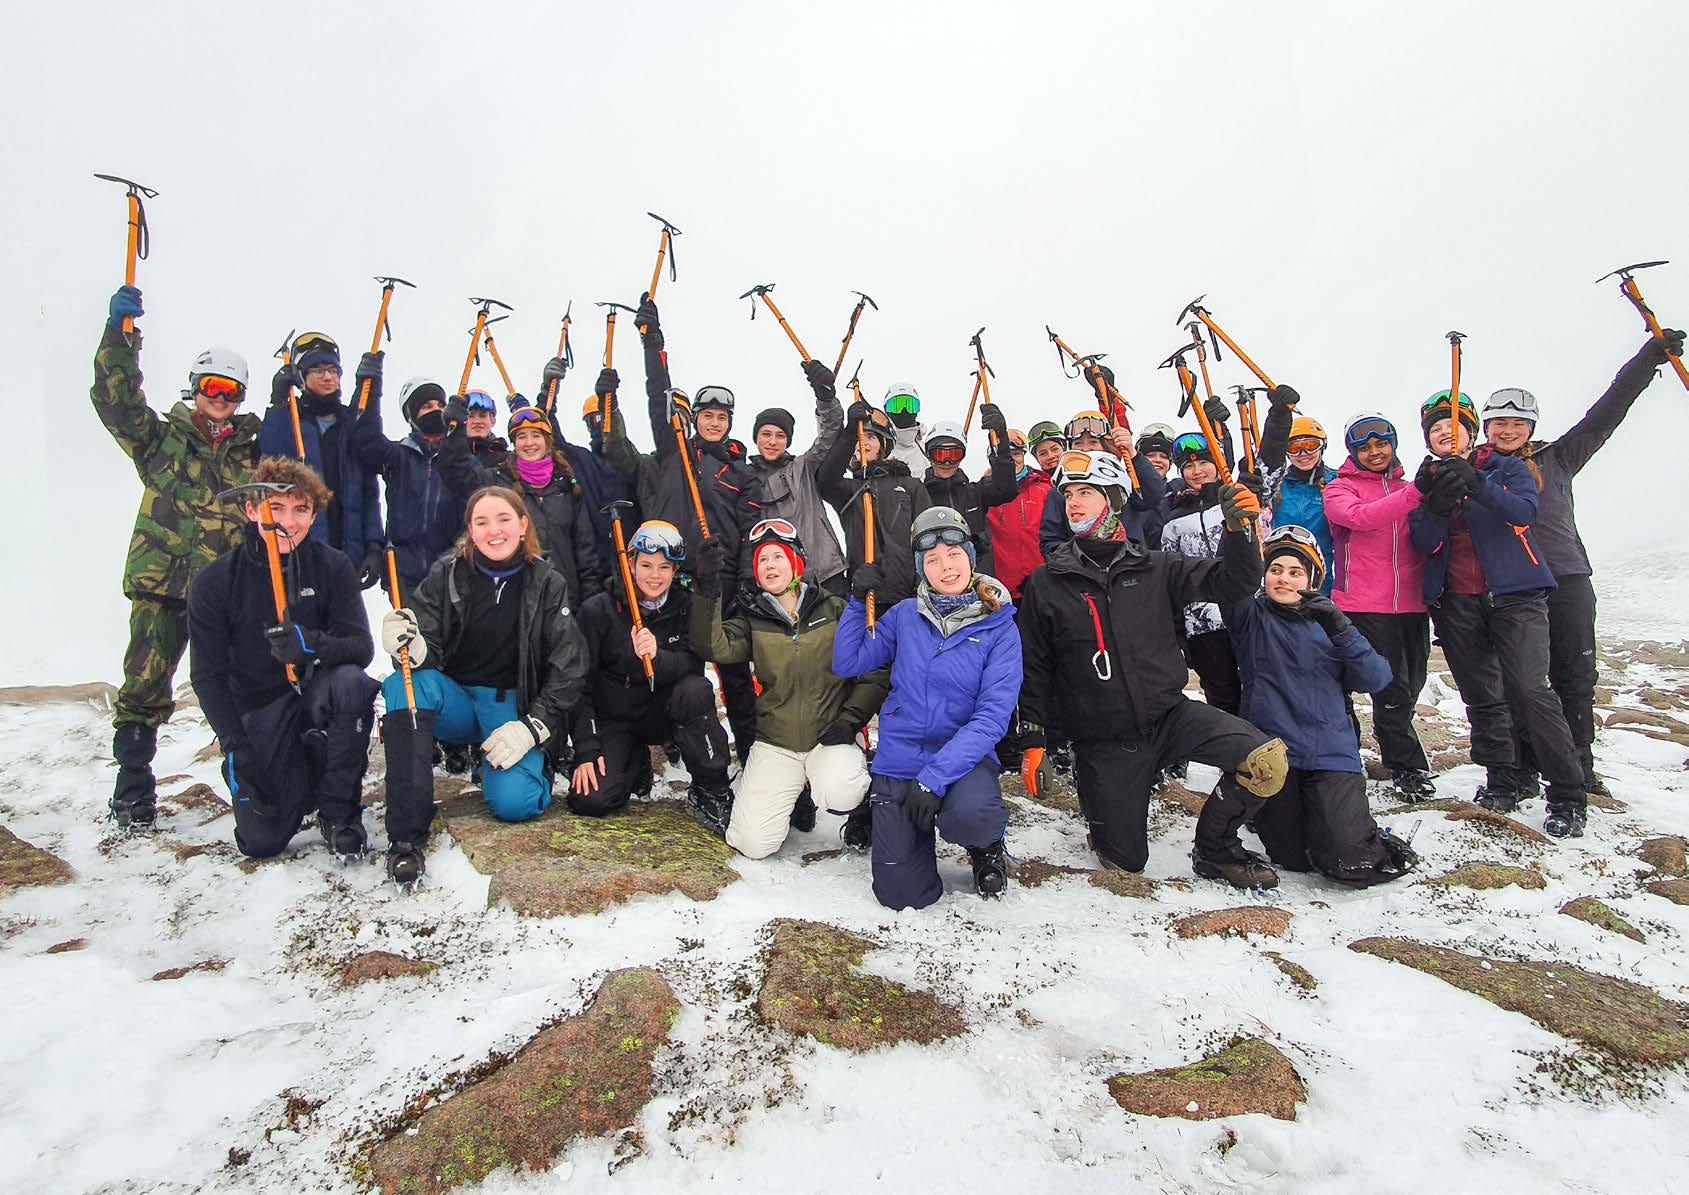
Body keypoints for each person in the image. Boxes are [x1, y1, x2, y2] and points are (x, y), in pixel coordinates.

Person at [1017, 451, 1289, 888]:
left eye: (1086, 492)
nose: (1073, 503)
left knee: (1266, 761)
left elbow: (1235, 583)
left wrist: (1239, 531)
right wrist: (1033, 740)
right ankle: (1103, 802)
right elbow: (1034, 665)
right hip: (1104, 739)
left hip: (1170, 717)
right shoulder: (1047, 581)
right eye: (1068, 495)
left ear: (1114, 498)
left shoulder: (1156, 566)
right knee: (1125, 863)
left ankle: (1215, 849)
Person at [1480, 329, 1684, 799]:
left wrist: (1647, 360)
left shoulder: (1559, 457)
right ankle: (1523, 768)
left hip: (1566, 578)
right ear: (1486, 427)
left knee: (1573, 677)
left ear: (1531, 426)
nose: (1507, 430)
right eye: (1498, 423)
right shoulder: (1476, 469)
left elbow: (1606, 413)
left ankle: (1579, 767)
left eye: (1517, 422)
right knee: (1518, 682)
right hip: (1511, 588)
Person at [93, 284, 260, 830]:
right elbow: (116, 401)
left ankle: (253, 785)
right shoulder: (162, 441)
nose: (221, 398)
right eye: (212, 386)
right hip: (162, 583)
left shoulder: (253, 454)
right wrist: (121, 338)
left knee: (237, 689)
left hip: (226, 594)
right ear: (195, 388)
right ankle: (133, 787)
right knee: (144, 684)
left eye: (231, 390)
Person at [376, 486, 590, 883]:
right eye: (482, 522)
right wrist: (411, 646)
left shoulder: (547, 582)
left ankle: (534, 766)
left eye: (504, 519)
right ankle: (406, 835)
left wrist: (534, 727)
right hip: (455, 699)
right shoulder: (446, 574)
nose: (494, 531)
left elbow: (570, 665)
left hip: (509, 707)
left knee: (515, 804)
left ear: (523, 525)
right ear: (471, 531)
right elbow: (423, 644)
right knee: (402, 687)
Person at [1196, 525, 1418, 886]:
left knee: (1351, 862)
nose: (1284, 579)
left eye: (1295, 572)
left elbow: (1376, 678)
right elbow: (1233, 576)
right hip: (1276, 757)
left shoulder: (1333, 623)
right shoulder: (1250, 617)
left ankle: (1361, 832)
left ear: (1313, 579)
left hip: (1331, 756)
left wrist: (1340, 628)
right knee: (1293, 859)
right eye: (1275, 569)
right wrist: (1238, 529)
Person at [1408, 392, 1587, 837]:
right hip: (1456, 601)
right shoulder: (1428, 479)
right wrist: (1436, 503)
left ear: (1472, 432)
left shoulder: (1508, 467)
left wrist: (1477, 482)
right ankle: (1504, 780)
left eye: (1453, 426)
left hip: (1515, 595)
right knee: (1482, 696)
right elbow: (1423, 541)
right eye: (1436, 429)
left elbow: (1523, 511)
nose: (1445, 433)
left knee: (1530, 689)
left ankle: (1567, 792)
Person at [600, 294, 764, 764]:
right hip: (671, 579)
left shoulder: (740, 474)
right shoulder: (674, 453)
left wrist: (745, 581)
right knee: (681, 671)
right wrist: (653, 343)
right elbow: (658, 397)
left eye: (721, 417)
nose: (713, 422)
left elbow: (749, 530)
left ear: (729, 424)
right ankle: (685, 751)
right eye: (707, 415)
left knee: (735, 676)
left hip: (721, 585)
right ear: (695, 420)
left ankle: (751, 755)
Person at [187, 457, 378, 860]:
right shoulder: (215, 581)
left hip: (315, 700)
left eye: (300, 510)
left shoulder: (332, 566)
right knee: (262, 841)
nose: (288, 522)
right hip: (259, 711)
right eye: (276, 508)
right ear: (251, 509)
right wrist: (235, 746)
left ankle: (339, 812)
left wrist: (311, 644)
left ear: (313, 515)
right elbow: (207, 676)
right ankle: (292, 784)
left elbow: (361, 648)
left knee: (352, 685)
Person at [834, 507, 1022, 908]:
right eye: (932, 559)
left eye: (953, 554)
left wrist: (933, 779)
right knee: (900, 896)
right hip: (900, 758)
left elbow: (992, 718)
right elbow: (848, 663)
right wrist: (855, 601)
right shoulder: (904, 615)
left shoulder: (1000, 626)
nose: (945, 567)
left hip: (963, 759)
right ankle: (905, 837)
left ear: (970, 558)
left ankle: (986, 846)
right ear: (921, 568)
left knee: (971, 816)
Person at [693, 519, 888, 857]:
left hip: (829, 736)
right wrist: (707, 589)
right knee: (752, 843)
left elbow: (874, 670)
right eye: (762, 559)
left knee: (842, 790)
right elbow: (713, 647)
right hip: (776, 743)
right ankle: (794, 794)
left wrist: (850, 720)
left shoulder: (833, 609)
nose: (770, 565)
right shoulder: (751, 618)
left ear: (797, 562)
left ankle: (863, 808)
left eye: (778, 556)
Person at [568, 520, 733, 825]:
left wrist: (658, 657)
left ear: (675, 570)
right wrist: (586, 750)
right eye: (646, 565)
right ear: (630, 564)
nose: (654, 576)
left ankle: (711, 786)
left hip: (665, 713)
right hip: (615, 719)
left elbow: (693, 665)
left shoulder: (684, 605)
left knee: (695, 691)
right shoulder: (598, 610)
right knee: (591, 799)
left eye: (664, 567)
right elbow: (580, 685)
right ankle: (632, 763)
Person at [1322, 412, 1436, 801]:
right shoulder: (1340, 488)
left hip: (1412, 606)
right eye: (1365, 447)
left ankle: (1393, 746)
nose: (1375, 452)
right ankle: (1405, 766)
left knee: (1411, 685)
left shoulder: (1409, 488)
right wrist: (1416, 493)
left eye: (1381, 444)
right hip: (1363, 605)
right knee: (1389, 687)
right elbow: (1360, 518)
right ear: (1352, 452)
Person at [436, 400, 604, 607]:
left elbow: (585, 549)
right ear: (514, 443)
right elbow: (458, 473)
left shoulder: (568, 486)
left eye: (536, 435)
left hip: (565, 601)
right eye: (521, 436)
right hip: (517, 602)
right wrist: (454, 432)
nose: (529, 443)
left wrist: (590, 600)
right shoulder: (499, 481)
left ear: (547, 441)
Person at [258, 332, 383, 588]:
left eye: (334, 371)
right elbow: (269, 455)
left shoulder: (351, 426)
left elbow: (368, 492)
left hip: (347, 557)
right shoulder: (290, 421)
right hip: (298, 557)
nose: (328, 377)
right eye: (318, 370)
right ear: (302, 377)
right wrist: (278, 402)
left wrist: (373, 545)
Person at [1160, 431, 1264, 715]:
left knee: (1259, 690)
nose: (1197, 471)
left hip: (1248, 613)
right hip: (1202, 626)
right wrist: (1180, 632)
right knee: (1221, 698)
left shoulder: (1239, 499)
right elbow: (1172, 581)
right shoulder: (1173, 520)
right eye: (1189, 466)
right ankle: (1231, 744)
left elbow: (1266, 463)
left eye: (1204, 463)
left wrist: (1226, 430)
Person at [744, 362, 849, 595]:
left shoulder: (803, 467)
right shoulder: (743, 479)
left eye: (780, 436)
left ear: (788, 441)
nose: (772, 441)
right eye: (766, 434)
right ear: (756, 438)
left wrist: (825, 397)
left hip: (825, 574)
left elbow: (830, 432)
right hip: (777, 581)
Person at [819, 397, 932, 608]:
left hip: (911, 597)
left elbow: (928, 535)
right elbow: (825, 481)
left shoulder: (911, 486)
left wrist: (923, 579)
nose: (863, 442)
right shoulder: (848, 490)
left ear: (883, 445)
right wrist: (849, 433)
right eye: (859, 438)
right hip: (867, 596)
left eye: (870, 437)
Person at [352, 375, 459, 595]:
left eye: (440, 405)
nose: (436, 411)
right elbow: (366, 439)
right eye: (427, 406)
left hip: (451, 573)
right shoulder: (398, 455)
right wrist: (371, 382)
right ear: (411, 415)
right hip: (403, 574)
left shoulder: (458, 459)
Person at [1037, 409, 1168, 555]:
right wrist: (1076, 560)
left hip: (1129, 562)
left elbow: (1154, 496)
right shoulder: (1060, 491)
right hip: (1082, 565)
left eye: (1093, 442)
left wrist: (1132, 453)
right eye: (1078, 443)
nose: (1085, 449)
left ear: (1105, 446)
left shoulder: (1122, 482)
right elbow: (1050, 541)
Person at [1256, 386, 1336, 594]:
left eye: (1310, 445)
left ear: (1322, 446)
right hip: (1282, 576)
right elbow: (1261, 473)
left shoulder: (1337, 483)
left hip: (1324, 580)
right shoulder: (1277, 485)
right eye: (1294, 448)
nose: (1303, 453)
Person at [920, 411, 1018, 577]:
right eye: (939, 455)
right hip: (940, 580)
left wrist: (1000, 438)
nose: (947, 462)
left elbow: (1006, 489)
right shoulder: (920, 496)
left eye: (954, 454)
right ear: (928, 455)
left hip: (978, 578)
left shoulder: (975, 492)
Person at [987, 428, 1054, 602]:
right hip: (1002, 592)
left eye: (1016, 454)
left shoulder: (1045, 489)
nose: (1012, 460)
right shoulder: (985, 494)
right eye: (1006, 455)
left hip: (1043, 586)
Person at [882, 383, 927, 476]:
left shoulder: (927, 451)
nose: (904, 410)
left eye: (910, 406)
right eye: (897, 406)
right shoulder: (878, 450)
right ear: (886, 410)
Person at [461, 389, 509, 472]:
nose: (477, 421)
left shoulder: (507, 460)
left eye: (482, 416)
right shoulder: (449, 456)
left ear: (493, 421)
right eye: (470, 416)